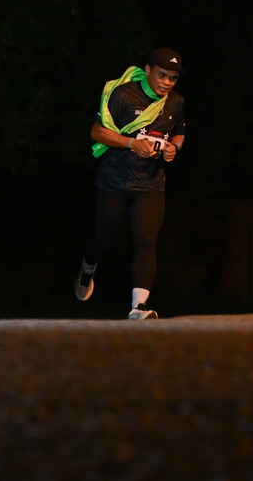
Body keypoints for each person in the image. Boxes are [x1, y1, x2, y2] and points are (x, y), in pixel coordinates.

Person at [75, 48, 186, 319]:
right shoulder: (123, 94)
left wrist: (173, 148)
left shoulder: (176, 102)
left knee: (146, 242)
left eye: (172, 78)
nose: (167, 82)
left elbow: (178, 133)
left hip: (151, 184)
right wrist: (131, 143)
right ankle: (87, 269)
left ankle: (139, 308)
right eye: (162, 75)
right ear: (147, 70)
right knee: (104, 241)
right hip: (115, 182)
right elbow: (97, 132)